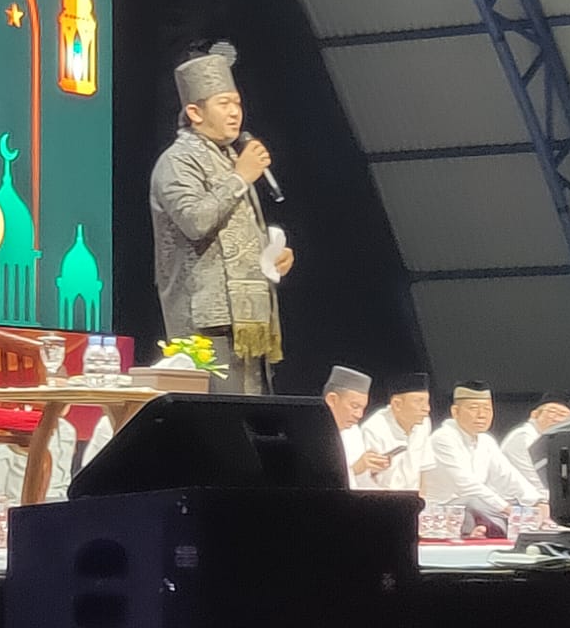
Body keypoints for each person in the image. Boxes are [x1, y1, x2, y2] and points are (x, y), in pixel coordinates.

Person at [150, 50, 294, 395]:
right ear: (195, 112)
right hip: (204, 324)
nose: (235, 112)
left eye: (237, 103)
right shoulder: (177, 161)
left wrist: (271, 254)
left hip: (246, 321)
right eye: (224, 103)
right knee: (220, 418)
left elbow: (235, 235)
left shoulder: (231, 158)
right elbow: (195, 221)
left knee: (251, 417)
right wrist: (240, 177)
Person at [427, 381, 543, 537]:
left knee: (515, 510)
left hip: (477, 506)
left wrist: (537, 501)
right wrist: (507, 509)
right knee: (477, 502)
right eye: (474, 408)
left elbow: (508, 475)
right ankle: (477, 529)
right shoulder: (442, 438)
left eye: (487, 409)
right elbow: (467, 485)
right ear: (455, 412)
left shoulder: (486, 441)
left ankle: (484, 529)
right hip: (442, 510)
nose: (482, 415)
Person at [360, 372, 435, 492]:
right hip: (383, 497)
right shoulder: (373, 429)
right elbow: (364, 479)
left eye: (427, 402)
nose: (427, 408)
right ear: (397, 404)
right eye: (418, 401)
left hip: (413, 497)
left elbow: (424, 469)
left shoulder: (424, 423)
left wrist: (422, 500)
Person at [322, 365, 390, 489]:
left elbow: (360, 485)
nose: (359, 415)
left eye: (363, 408)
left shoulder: (353, 432)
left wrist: (370, 470)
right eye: (355, 406)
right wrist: (355, 469)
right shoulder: (311, 433)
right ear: (332, 400)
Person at [499, 391, 570, 501]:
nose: (557, 419)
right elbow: (533, 480)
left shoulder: (555, 443)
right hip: (513, 501)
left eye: (563, 415)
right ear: (534, 415)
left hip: (535, 498)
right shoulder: (524, 435)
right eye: (552, 412)